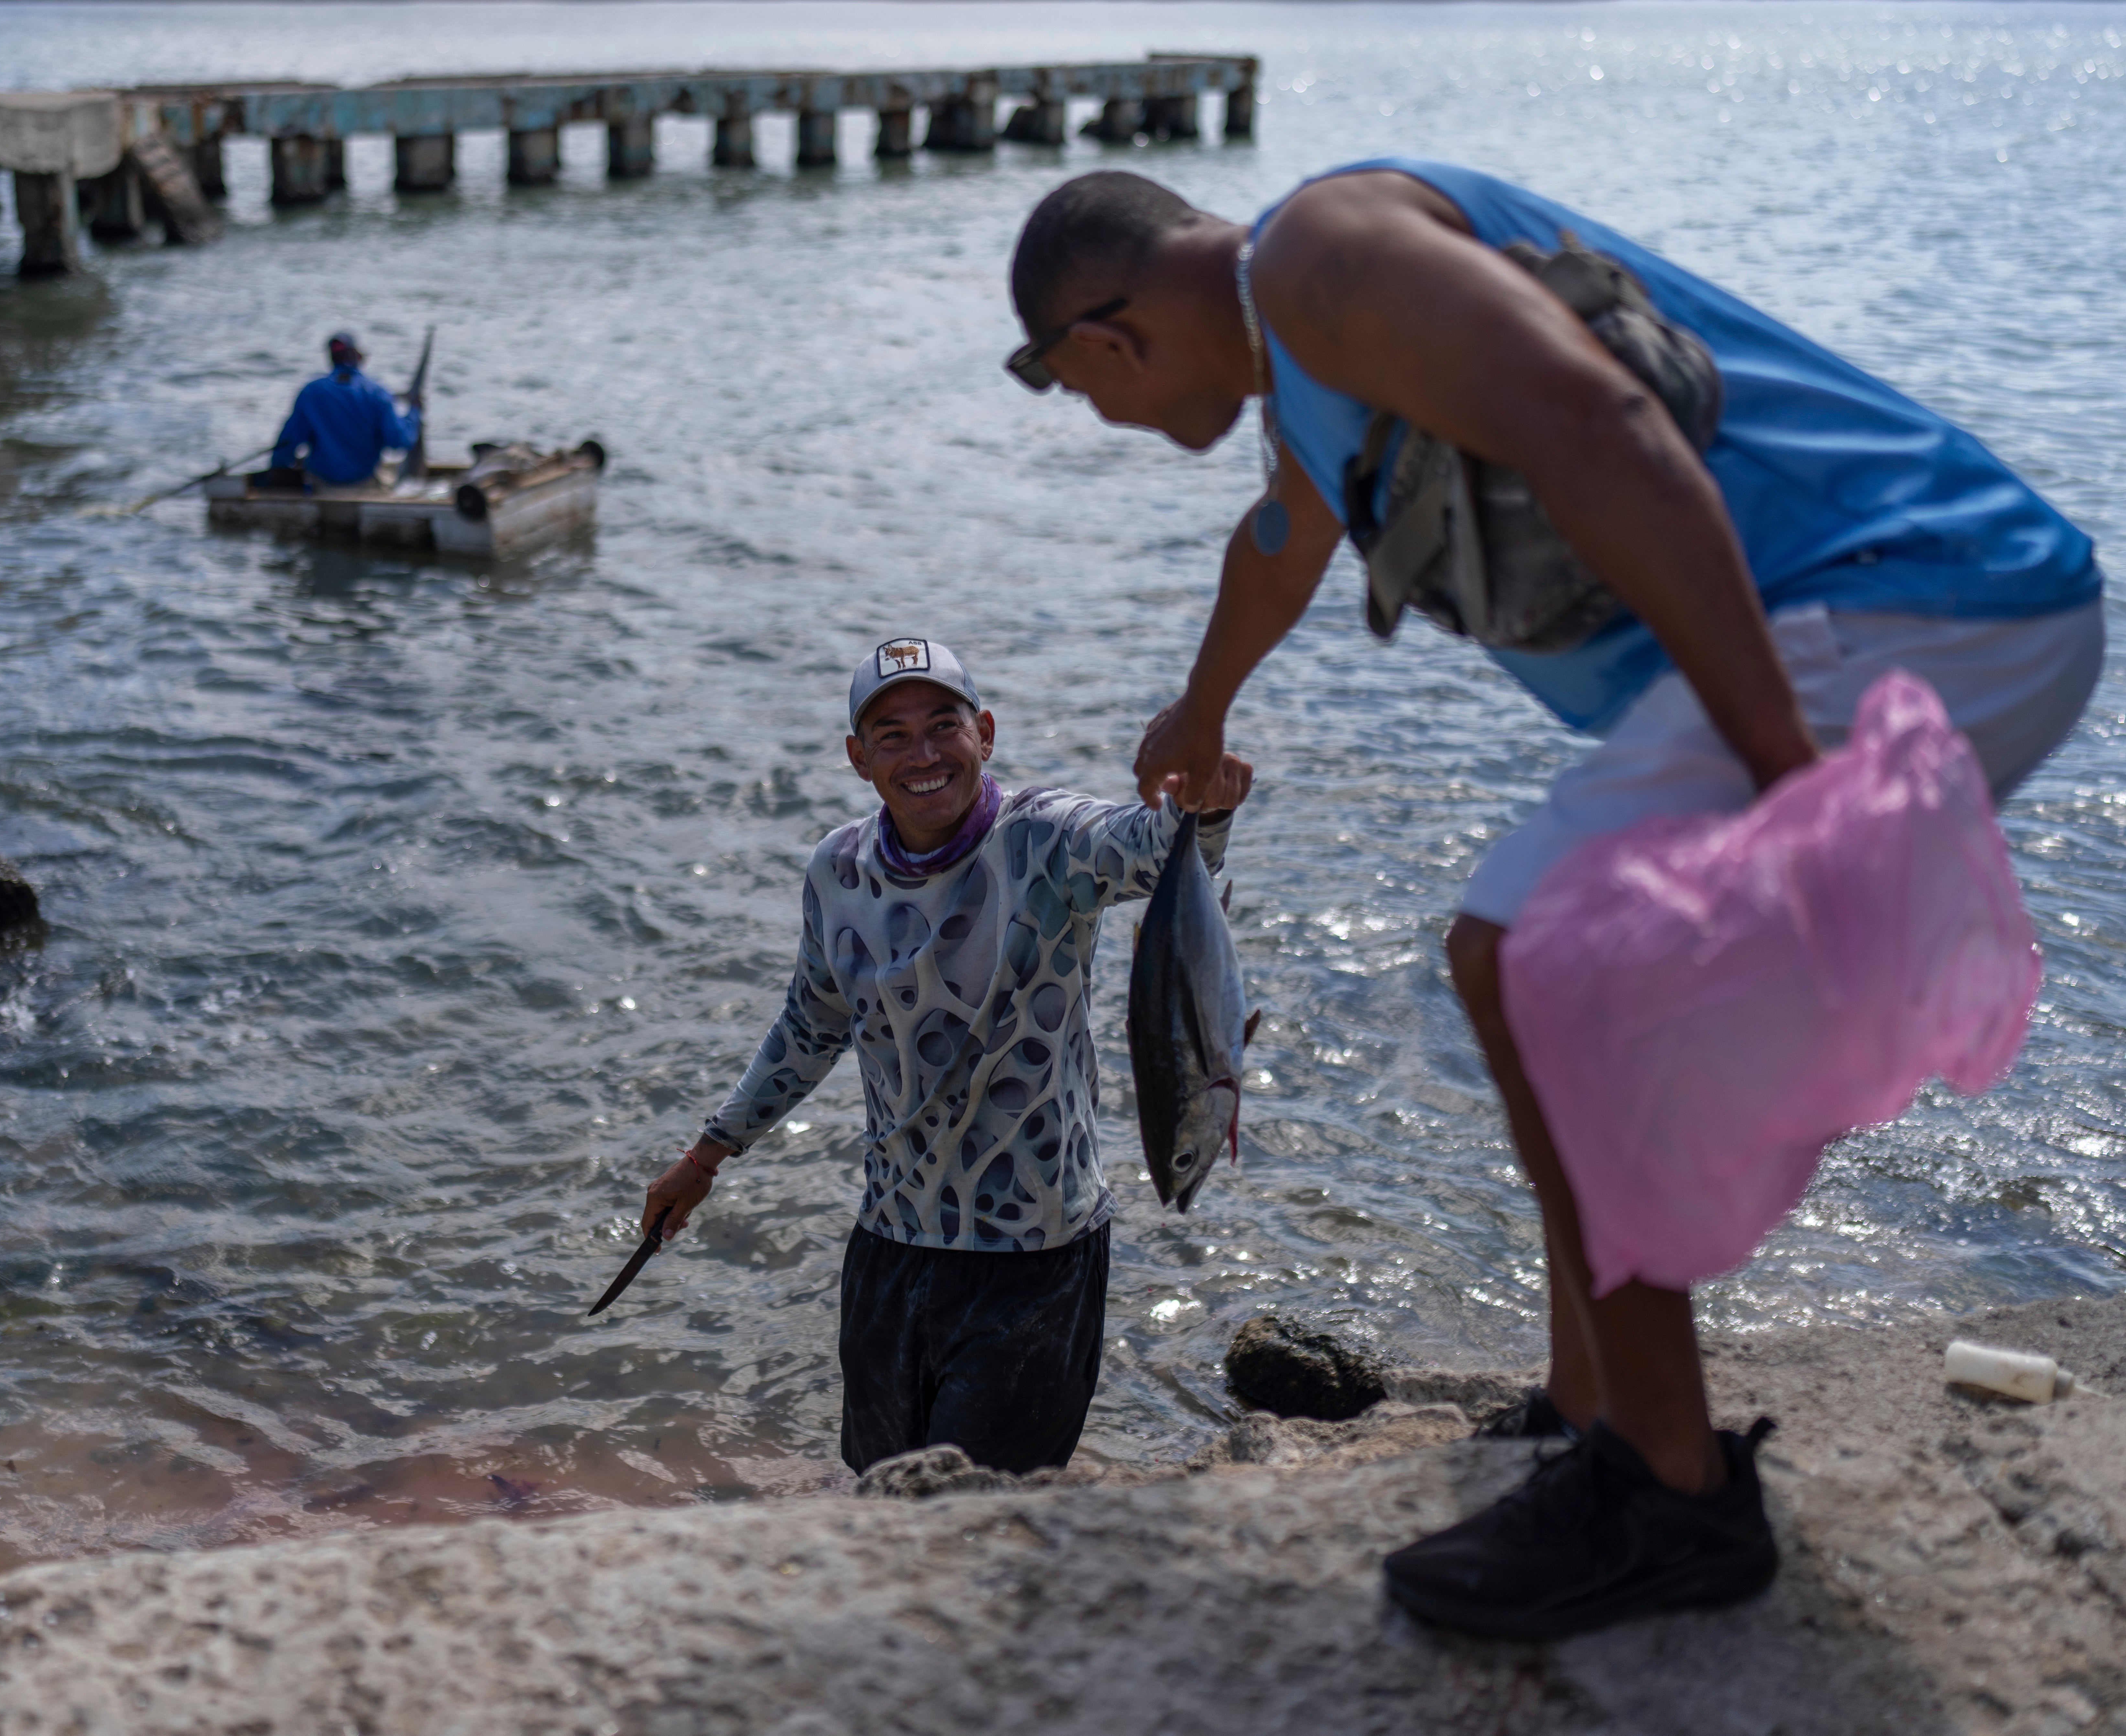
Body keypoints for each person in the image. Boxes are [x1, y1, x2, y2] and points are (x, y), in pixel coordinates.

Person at [1003, 163, 2102, 1638]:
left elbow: (1604, 424)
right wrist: (1200, 710)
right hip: (1922, 601)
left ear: (1104, 340)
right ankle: (1594, 1415)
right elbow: (1281, 542)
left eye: (1075, 393)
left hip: (1909, 592)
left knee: (1523, 957)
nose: (1104, 419)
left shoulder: (1328, 255)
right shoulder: (1311, 360)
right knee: (1516, 962)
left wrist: (1786, 770)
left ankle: (1667, 1489)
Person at [638, 637, 1254, 1475]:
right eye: (890, 734)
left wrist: (1205, 808)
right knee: (880, 1494)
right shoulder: (837, 869)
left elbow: (1154, 847)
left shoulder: (1049, 840)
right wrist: (708, 1152)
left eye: (943, 724)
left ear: (986, 731)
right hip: (890, 1246)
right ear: (858, 758)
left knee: (977, 1516)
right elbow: (810, 1026)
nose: (922, 753)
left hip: (1037, 1256)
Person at [269, 331, 421, 488]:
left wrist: (277, 477)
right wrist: (414, 414)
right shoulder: (377, 393)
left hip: (321, 488)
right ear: (358, 357)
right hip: (365, 486)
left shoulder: (311, 393)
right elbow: (399, 441)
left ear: (332, 359)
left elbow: (286, 446)